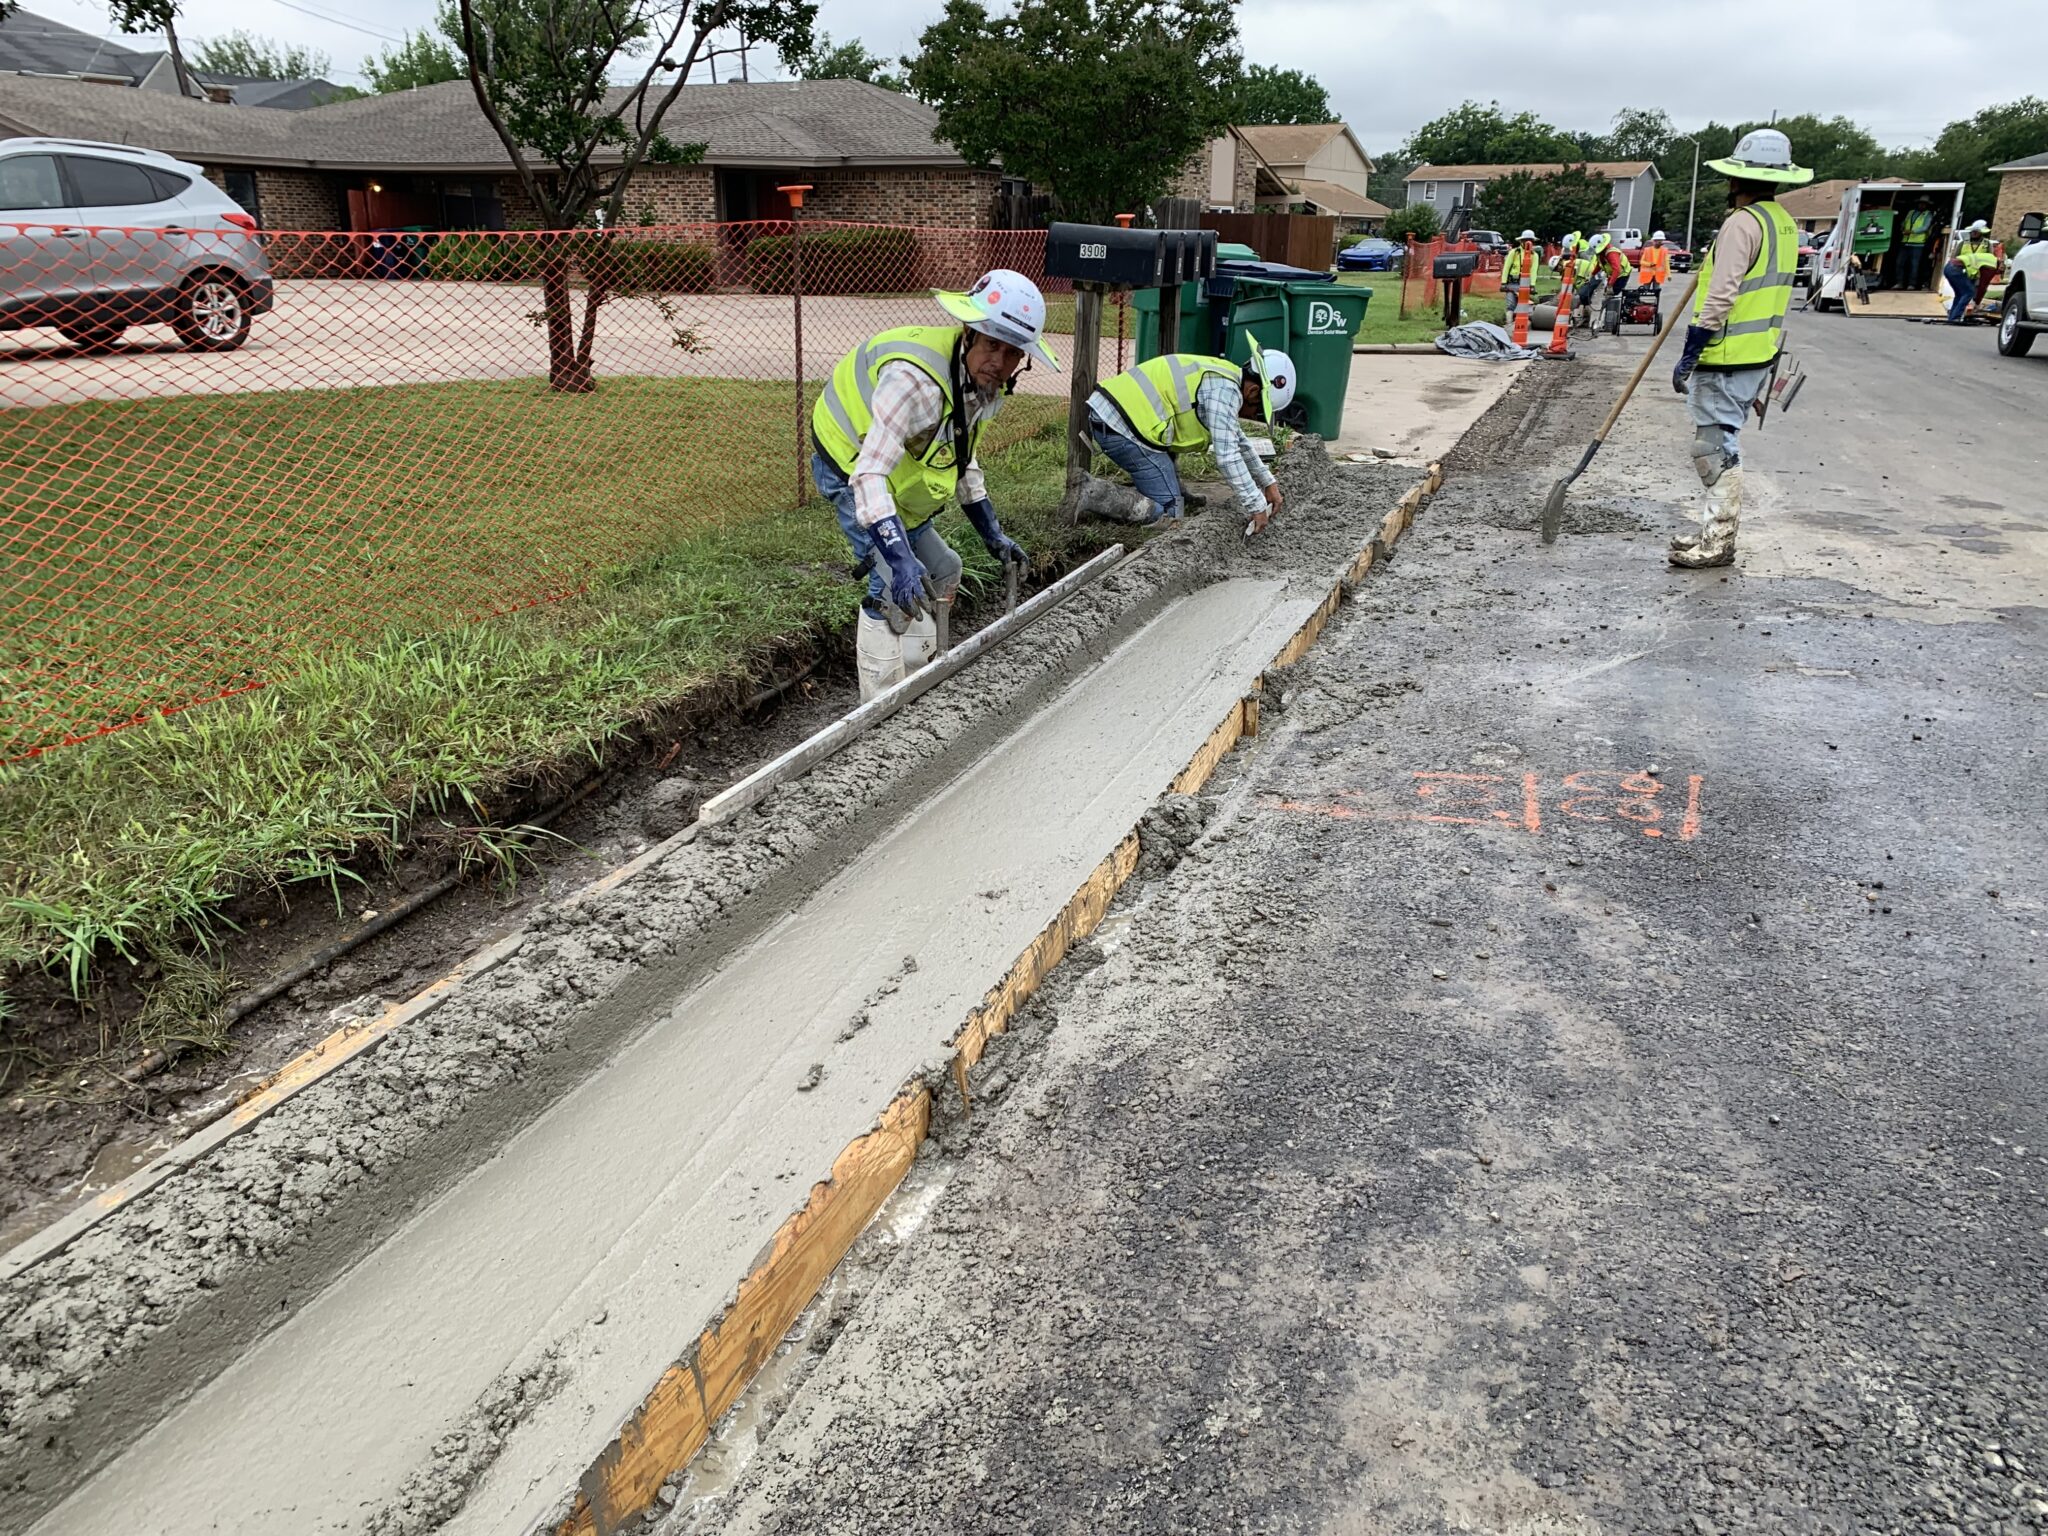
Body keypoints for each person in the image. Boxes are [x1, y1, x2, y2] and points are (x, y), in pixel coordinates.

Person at [812, 268, 1057, 699]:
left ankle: (916, 675)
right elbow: (869, 475)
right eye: (991, 345)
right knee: (890, 585)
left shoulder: (981, 385)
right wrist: (898, 557)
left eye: (1013, 353)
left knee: (945, 569)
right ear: (969, 334)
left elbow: (962, 454)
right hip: (850, 461)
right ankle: (880, 705)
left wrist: (993, 534)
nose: (999, 363)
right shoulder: (914, 382)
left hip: (897, 478)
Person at [1668, 128, 1808, 571]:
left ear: (1735, 178)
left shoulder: (1742, 224)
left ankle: (1718, 540)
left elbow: (1722, 294)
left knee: (1714, 445)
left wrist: (1693, 348)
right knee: (1723, 439)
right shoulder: (1782, 223)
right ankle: (1714, 531)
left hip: (1728, 352)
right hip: (1758, 351)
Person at [1088, 340, 1295, 534]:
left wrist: (1268, 483)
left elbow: (1238, 442)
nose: (1252, 416)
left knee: (1173, 490)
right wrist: (1256, 505)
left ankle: (1172, 490)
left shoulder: (1226, 377)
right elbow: (1228, 457)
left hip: (1120, 415)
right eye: (1258, 410)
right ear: (1253, 391)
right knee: (1171, 515)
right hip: (1119, 426)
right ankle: (1094, 493)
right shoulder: (1224, 394)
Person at [1946, 220, 1999, 324]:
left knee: (1963, 294)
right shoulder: (1963, 243)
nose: (1973, 233)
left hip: (1975, 274)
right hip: (1961, 271)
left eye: (1976, 231)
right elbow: (1954, 257)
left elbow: (1989, 259)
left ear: (1981, 232)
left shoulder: (1986, 244)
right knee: (1967, 293)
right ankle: (1955, 316)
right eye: (1973, 231)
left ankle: (1956, 316)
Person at [1898, 197, 1936, 291]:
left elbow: (1925, 227)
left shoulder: (1928, 214)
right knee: (1900, 263)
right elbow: (1904, 222)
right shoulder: (1911, 212)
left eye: (1924, 204)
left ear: (1927, 205)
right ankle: (1899, 283)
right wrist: (1902, 227)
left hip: (1918, 244)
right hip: (1905, 241)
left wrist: (1911, 231)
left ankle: (1912, 284)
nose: (1921, 205)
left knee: (1914, 265)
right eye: (1920, 203)